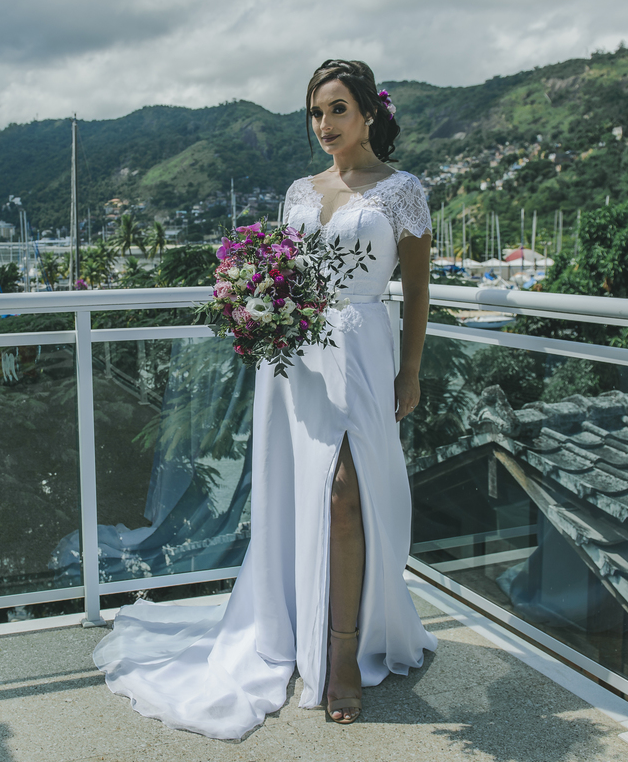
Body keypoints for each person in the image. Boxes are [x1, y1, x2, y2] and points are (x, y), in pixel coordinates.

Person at [92, 59, 437, 739]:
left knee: (348, 494)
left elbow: (418, 292)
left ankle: (342, 653)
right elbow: (283, 272)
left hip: (366, 352)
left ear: (369, 112)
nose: (325, 125)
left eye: (338, 109)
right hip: (297, 360)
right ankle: (305, 629)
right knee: (302, 495)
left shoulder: (403, 192)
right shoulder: (298, 192)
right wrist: (256, 305)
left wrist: (411, 371)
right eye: (315, 113)